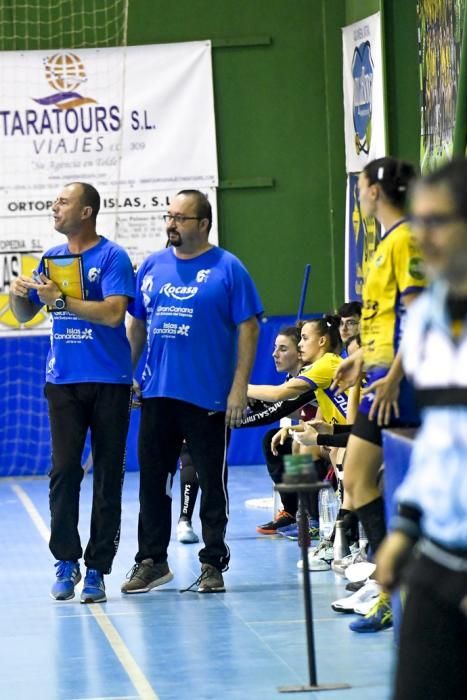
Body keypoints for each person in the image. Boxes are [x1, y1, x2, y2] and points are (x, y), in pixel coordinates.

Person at [121, 189, 262, 594]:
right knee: (153, 481)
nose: (171, 224)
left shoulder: (228, 268)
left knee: (210, 483)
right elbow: (138, 325)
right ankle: (151, 561)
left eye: (180, 218)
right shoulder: (151, 265)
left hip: (209, 397)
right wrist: (125, 374)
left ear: (203, 224)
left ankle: (213, 562)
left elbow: (249, 327)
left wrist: (239, 388)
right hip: (157, 393)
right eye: (169, 216)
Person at [9, 182, 135, 604]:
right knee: (64, 472)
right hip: (63, 381)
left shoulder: (113, 256)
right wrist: (19, 296)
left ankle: (98, 569)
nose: (54, 207)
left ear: (86, 212)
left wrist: (61, 301)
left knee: (108, 478)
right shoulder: (51, 257)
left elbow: (115, 313)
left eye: (63, 202)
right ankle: (66, 560)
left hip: (110, 382)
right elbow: (29, 315)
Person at [374, 160, 467, 700]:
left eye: (437, 222)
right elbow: (440, 437)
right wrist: (405, 529)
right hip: (437, 555)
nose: (421, 236)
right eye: (417, 221)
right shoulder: (429, 314)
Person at [331, 157, 427, 632]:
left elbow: (418, 313)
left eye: (362, 186)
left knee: (363, 476)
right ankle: (389, 581)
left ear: (372, 191)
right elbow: (383, 318)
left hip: (398, 380)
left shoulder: (407, 237)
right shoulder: (388, 241)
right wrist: (361, 357)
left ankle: (394, 586)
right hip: (379, 369)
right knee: (356, 479)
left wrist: (392, 376)